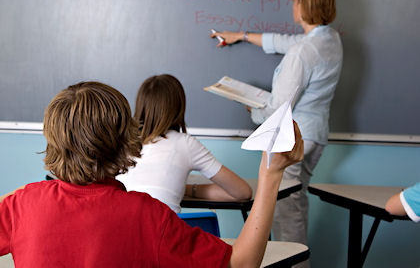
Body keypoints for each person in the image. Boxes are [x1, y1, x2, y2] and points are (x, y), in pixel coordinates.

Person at [0, 81, 304, 267]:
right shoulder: (146, 216)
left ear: (52, 138)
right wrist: (271, 173)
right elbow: (241, 263)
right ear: (125, 139)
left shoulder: (20, 205)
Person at [211, 0, 343, 254]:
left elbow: (278, 108)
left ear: (304, 5)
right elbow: (286, 42)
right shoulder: (330, 40)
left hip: (293, 138)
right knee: (295, 204)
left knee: (285, 214)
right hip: (316, 134)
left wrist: (254, 110)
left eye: (295, 1)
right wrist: (243, 36)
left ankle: (293, 262)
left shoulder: (302, 53)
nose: (292, 6)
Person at [116, 74, 252, 213]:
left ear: (140, 105)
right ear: (179, 108)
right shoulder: (185, 143)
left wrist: (184, 189)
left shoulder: (123, 142)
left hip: (118, 228)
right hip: (161, 231)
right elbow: (242, 192)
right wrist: (188, 189)